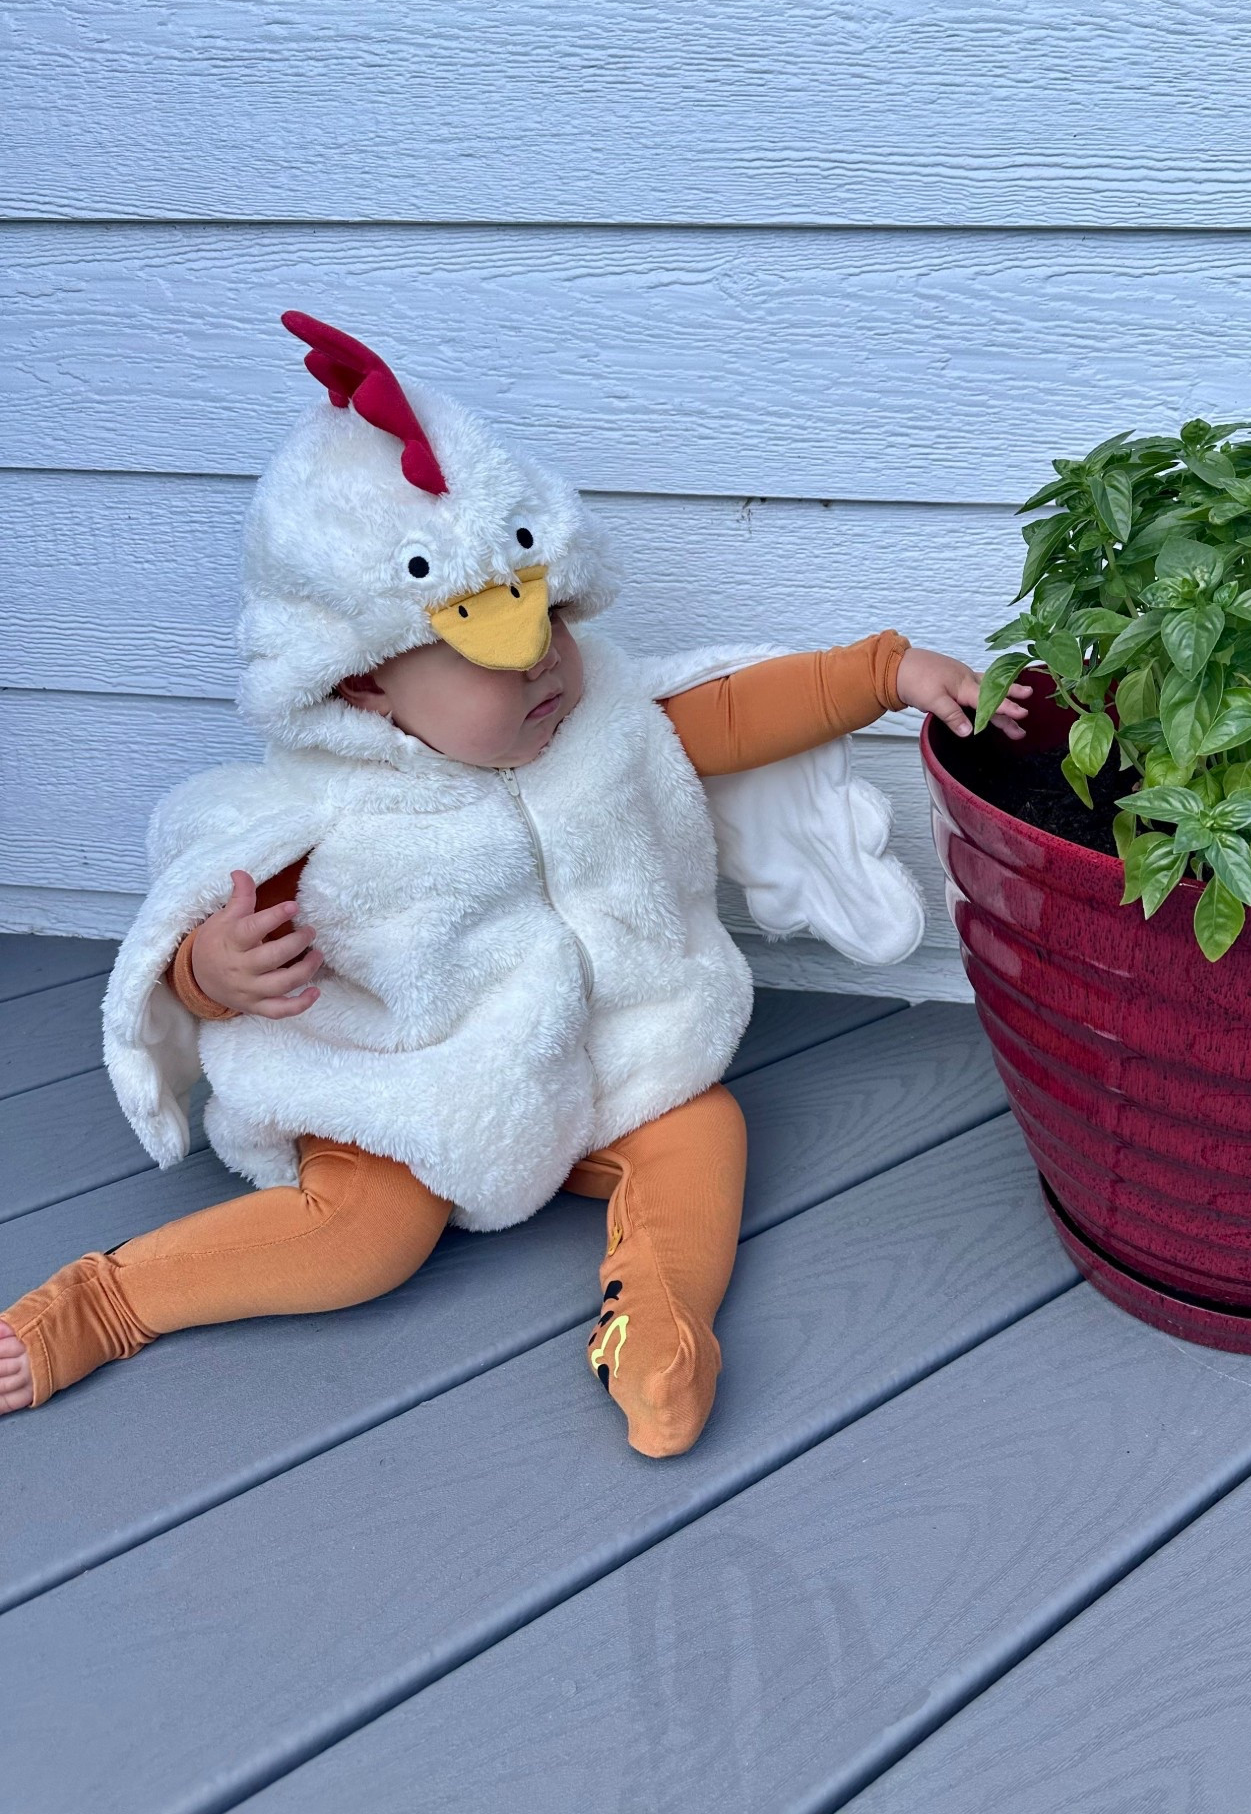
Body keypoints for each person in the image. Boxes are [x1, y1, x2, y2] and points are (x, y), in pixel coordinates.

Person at [0, 314, 1030, 1454]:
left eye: (550, 626)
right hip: (415, 1094)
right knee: (365, 1240)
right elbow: (190, 937)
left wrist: (888, 669)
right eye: (488, 653)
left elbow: (733, 708)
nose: (543, 664)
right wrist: (212, 972)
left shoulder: (606, 724)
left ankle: (660, 1312)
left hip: (610, 1058)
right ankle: (109, 1299)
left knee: (701, 1129)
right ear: (359, 689)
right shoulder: (320, 816)